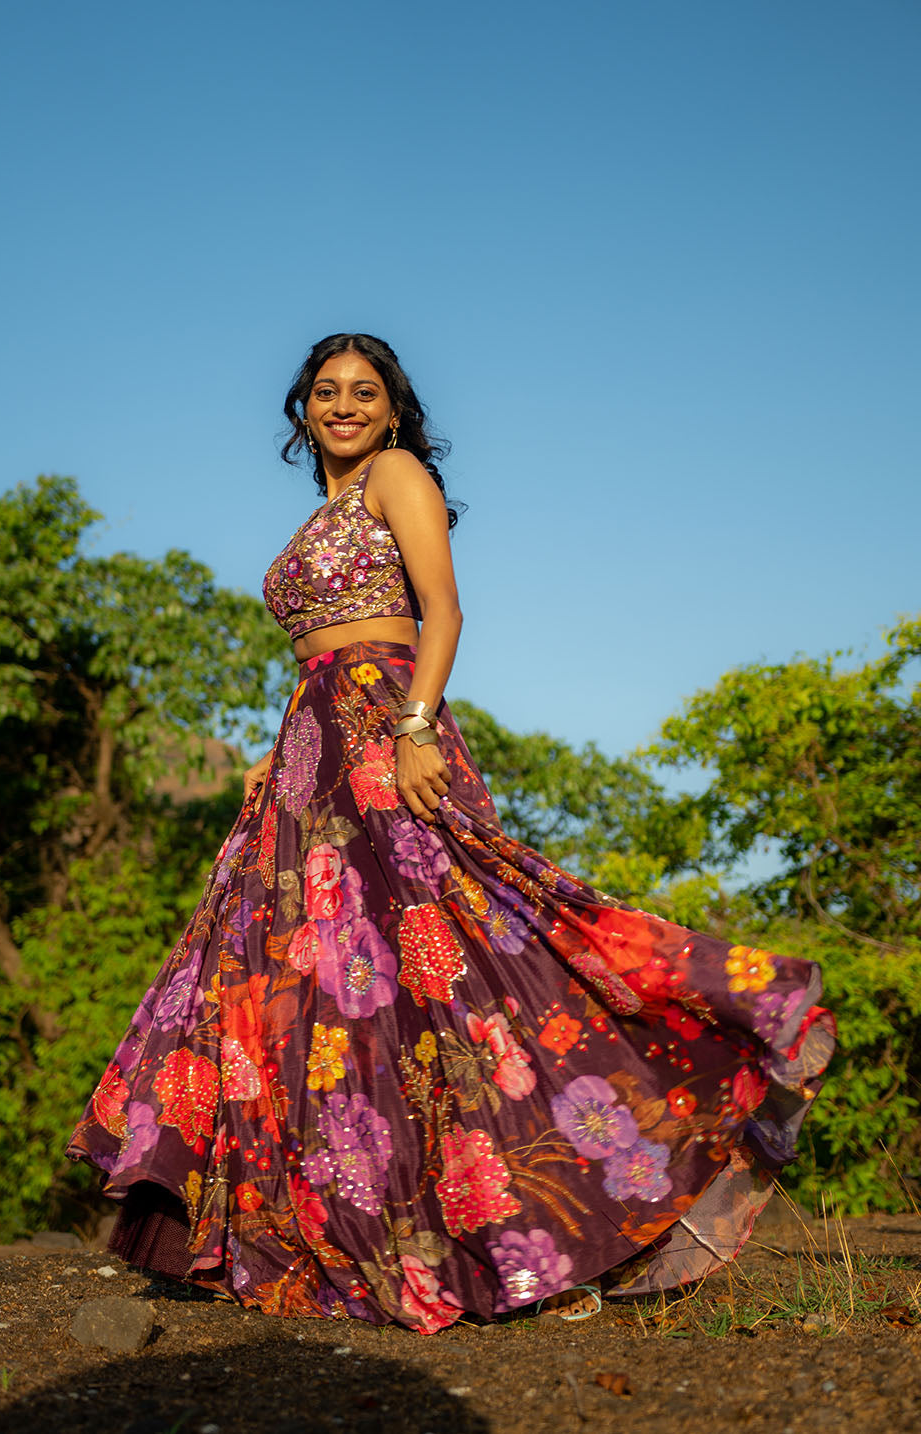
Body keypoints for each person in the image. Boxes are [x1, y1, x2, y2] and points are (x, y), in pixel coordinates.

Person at [67, 333, 835, 1331]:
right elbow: (318, 657)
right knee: (323, 990)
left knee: (464, 958)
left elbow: (442, 612)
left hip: (390, 727)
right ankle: (339, 1231)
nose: (343, 405)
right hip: (316, 748)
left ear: (390, 411)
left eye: (364, 392)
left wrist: (418, 728)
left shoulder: (396, 474)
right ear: (302, 409)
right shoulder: (322, 511)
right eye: (326, 391)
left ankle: (589, 1189)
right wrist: (280, 748)